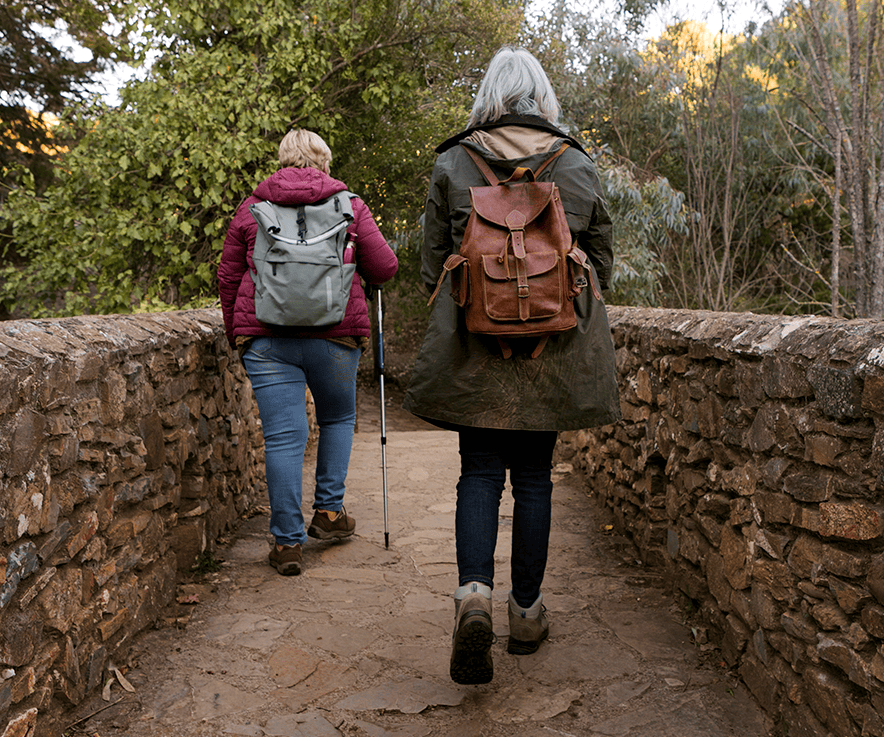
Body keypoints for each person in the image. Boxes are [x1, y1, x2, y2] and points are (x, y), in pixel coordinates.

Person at [403, 46, 621, 685]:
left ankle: (473, 597)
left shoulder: (455, 161)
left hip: (475, 349)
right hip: (552, 350)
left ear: (489, 96)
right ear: (543, 97)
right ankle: (526, 614)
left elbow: (430, 264)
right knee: (533, 478)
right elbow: (602, 254)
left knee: (478, 472)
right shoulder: (575, 162)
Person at [219, 128, 398, 576]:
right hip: (335, 336)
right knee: (337, 418)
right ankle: (329, 512)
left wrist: (237, 334)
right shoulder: (350, 206)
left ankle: (286, 543)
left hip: (267, 340)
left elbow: (228, 276)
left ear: (282, 160)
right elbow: (384, 267)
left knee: (283, 438)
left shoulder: (252, 207)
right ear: (324, 161)